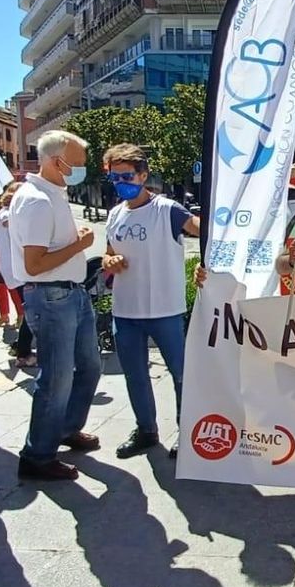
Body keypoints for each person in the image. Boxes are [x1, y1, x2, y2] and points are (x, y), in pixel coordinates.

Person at [9, 130, 101, 481]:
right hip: (50, 296)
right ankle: (38, 455)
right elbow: (34, 264)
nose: (81, 168)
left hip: (70, 293)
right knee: (57, 378)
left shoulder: (51, 194)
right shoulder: (36, 200)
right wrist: (80, 245)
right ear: (54, 161)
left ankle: (64, 428)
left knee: (89, 366)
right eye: (76, 163)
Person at [100, 144, 199, 460]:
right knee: (135, 376)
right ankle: (146, 430)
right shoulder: (115, 213)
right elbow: (108, 251)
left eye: (126, 176)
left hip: (165, 310)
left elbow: (203, 230)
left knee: (181, 375)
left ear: (143, 175)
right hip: (125, 312)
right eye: (114, 177)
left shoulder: (167, 210)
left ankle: (189, 433)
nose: (120, 182)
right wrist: (108, 260)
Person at [0, 181, 34, 368]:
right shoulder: (7, 215)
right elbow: (9, 223)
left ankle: (21, 348)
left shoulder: (5, 213)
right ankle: (22, 351)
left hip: (14, 271)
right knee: (31, 311)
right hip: (17, 272)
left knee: (30, 311)